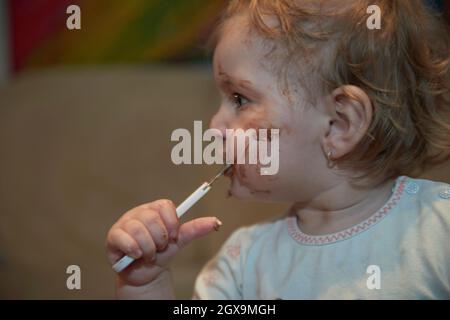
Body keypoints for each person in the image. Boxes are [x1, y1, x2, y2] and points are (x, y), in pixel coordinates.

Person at [106, 0, 450, 299]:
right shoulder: (243, 262)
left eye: (240, 99)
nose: (213, 126)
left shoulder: (440, 229)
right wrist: (144, 285)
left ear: (338, 125)